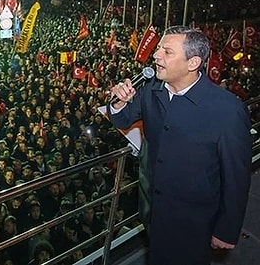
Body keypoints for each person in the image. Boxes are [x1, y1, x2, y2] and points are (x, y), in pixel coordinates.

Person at [108, 26, 252, 265]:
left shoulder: (227, 110)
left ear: (193, 62)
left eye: (167, 51)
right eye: (158, 49)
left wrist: (227, 228)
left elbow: (237, 176)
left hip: (194, 221)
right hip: (154, 211)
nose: (156, 56)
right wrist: (118, 103)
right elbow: (123, 118)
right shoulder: (151, 90)